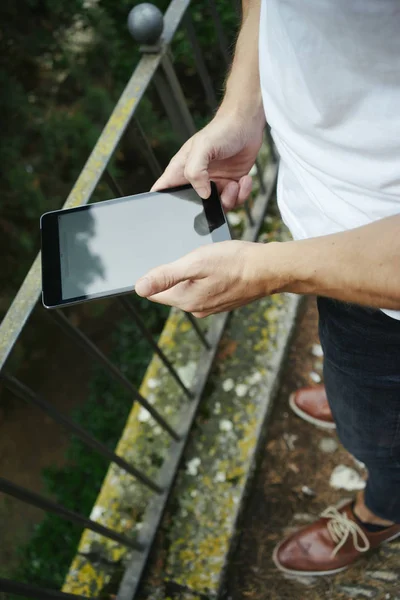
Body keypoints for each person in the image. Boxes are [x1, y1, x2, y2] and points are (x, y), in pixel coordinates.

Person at [135, 0, 400, 576]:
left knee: (381, 434)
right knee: (354, 366)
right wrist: (241, 106)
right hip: (332, 223)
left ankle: (383, 509)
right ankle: (359, 395)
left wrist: (271, 269)